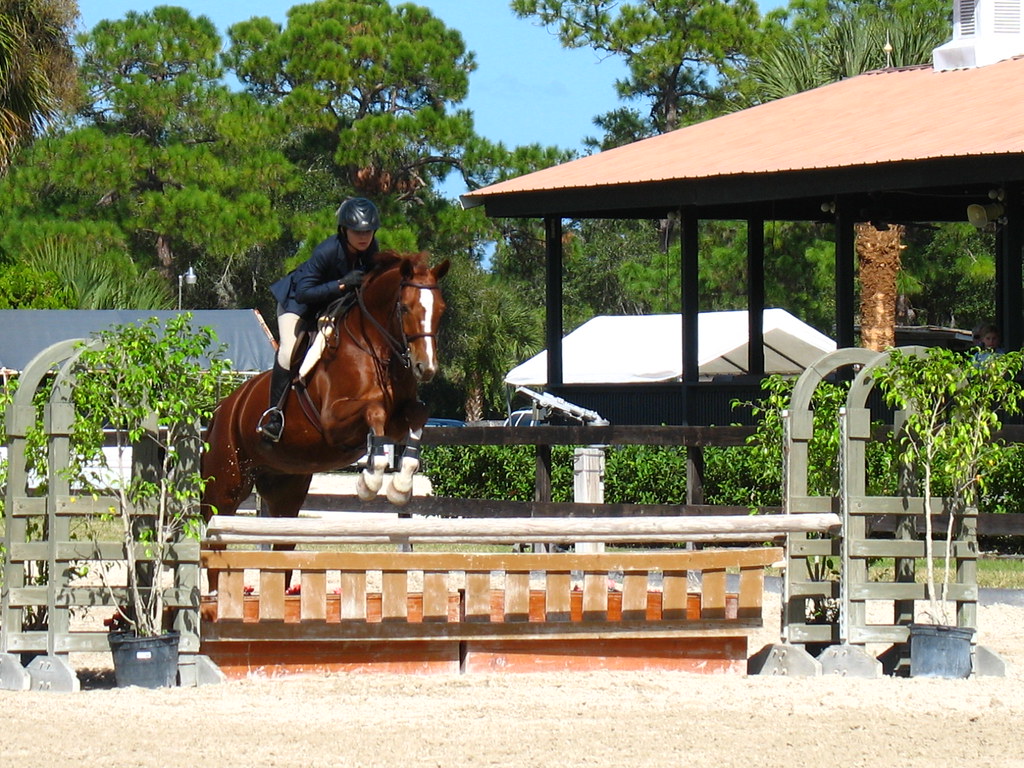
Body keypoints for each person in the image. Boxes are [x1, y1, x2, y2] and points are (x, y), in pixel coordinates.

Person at [257, 197, 381, 441]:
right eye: (357, 231)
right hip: (298, 303)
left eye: (368, 230)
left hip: (330, 305)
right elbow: (305, 293)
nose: (363, 236)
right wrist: (343, 283)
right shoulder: (327, 251)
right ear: (344, 230)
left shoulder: (371, 250)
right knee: (288, 351)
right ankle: (274, 416)